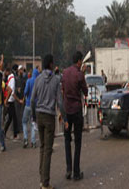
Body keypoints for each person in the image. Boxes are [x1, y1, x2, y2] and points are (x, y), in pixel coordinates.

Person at [31, 54, 68, 189]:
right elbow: (60, 102)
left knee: (42, 147)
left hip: (39, 115)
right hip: (49, 117)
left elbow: (32, 99)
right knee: (48, 150)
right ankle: (45, 183)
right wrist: (64, 117)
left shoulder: (38, 79)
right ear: (51, 65)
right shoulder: (55, 80)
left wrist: (34, 116)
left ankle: (42, 177)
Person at [62, 51, 88, 181]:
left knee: (67, 141)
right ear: (79, 61)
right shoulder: (79, 74)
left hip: (67, 111)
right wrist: (83, 73)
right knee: (78, 142)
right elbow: (85, 91)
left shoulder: (65, 72)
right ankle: (76, 173)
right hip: (77, 110)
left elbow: (63, 89)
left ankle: (68, 169)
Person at [4, 66, 23, 141]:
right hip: (10, 101)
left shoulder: (9, 78)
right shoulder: (12, 79)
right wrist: (18, 100)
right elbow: (12, 92)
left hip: (9, 100)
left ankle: (13, 134)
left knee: (12, 118)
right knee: (11, 118)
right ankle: (5, 133)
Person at [22, 68, 39, 148]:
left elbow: (25, 92)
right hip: (36, 106)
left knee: (24, 122)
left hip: (28, 104)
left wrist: (25, 97)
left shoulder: (29, 81)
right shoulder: (38, 82)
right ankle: (33, 142)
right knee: (33, 123)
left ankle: (25, 139)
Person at [15, 65, 26, 135]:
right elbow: (12, 88)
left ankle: (21, 128)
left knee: (22, 114)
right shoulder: (16, 79)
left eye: (22, 70)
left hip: (23, 98)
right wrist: (17, 89)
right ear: (18, 71)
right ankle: (17, 128)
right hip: (17, 98)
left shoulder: (24, 79)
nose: (21, 71)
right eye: (20, 70)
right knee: (17, 114)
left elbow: (25, 88)